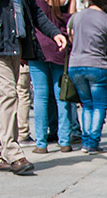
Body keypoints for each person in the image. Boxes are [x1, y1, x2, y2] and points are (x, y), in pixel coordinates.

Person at [0, 0, 67, 175]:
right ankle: (12, 152)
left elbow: (35, 12)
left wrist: (54, 33)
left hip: (13, 45)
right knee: (7, 95)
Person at [67, 0, 107, 155]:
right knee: (99, 105)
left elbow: (71, 35)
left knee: (87, 104)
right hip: (97, 64)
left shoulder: (76, 17)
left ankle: (85, 141)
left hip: (75, 65)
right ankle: (93, 142)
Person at [30, 0, 75, 153]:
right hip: (60, 47)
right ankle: (64, 141)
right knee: (62, 95)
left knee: (40, 96)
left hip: (39, 47)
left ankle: (41, 143)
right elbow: (71, 22)